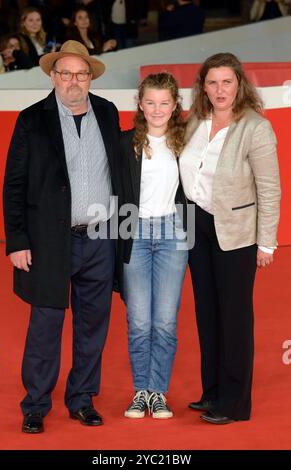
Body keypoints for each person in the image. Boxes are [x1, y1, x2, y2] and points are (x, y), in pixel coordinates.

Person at [3, 40, 121, 433]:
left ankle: (82, 399)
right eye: (66, 73)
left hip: (101, 238)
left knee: (93, 325)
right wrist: (17, 240)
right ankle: (35, 403)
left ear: (90, 78)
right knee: (46, 324)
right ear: (53, 76)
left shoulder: (107, 112)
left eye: (81, 73)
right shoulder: (31, 119)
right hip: (50, 242)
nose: (73, 80)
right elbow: (14, 184)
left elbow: (118, 176)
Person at [179, 52, 281, 424]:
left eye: (227, 82)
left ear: (239, 84)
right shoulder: (195, 121)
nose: (219, 90)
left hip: (236, 233)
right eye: (212, 82)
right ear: (202, 87)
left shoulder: (255, 127)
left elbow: (270, 188)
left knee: (234, 317)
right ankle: (213, 393)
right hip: (198, 227)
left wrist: (266, 242)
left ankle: (235, 404)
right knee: (207, 314)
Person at [120, 73, 188, 419]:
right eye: (150, 102)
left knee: (164, 320)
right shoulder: (125, 142)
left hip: (174, 232)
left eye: (164, 102)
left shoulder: (187, 140)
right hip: (134, 230)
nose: (157, 109)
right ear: (140, 104)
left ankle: (158, 391)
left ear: (175, 105)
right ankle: (140, 390)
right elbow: (115, 193)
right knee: (138, 320)